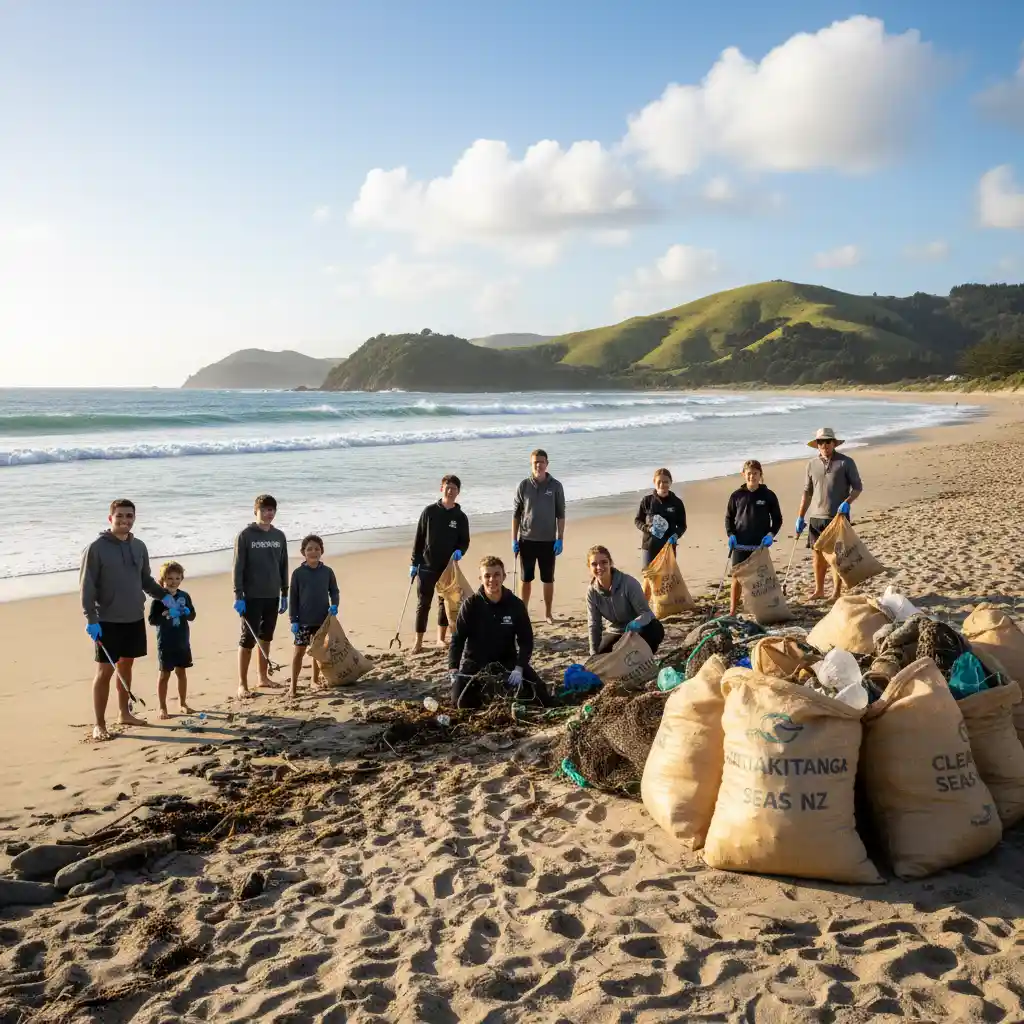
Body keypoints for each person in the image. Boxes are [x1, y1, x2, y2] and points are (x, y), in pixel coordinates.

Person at [80, 498, 180, 741]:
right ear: (110, 518)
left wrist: (164, 596)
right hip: (107, 620)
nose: (125, 520)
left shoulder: (139, 547)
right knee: (104, 672)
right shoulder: (96, 548)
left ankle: (124, 713)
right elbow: (87, 586)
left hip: (134, 616)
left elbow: (145, 580)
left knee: (126, 666)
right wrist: (91, 618)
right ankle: (99, 724)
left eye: (129, 516)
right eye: (120, 516)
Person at [448, 555, 549, 709]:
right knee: (459, 702)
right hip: (475, 663)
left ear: (503, 576)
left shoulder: (515, 605)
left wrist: (519, 667)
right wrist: (453, 667)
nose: (492, 580)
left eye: (496, 575)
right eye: (487, 576)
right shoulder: (470, 605)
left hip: (507, 661)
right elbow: (458, 639)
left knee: (542, 695)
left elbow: (526, 640)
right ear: (480, 578)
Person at [794, 428, 863, 600]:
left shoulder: (846, 462)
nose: (824, 445)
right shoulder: (811, 464)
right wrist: (800, 516)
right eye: (820, 442)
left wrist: (847, 503)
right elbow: (807, 492)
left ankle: (836, 592)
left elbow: (857, 487)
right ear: (816, 445)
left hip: (837, 517)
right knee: (817, 554)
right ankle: (819, 590)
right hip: (816, 517)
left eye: (827, 441)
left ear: (834, 443)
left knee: (837, 556)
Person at [233, 494, 289, 698]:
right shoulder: (245, 535)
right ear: (255, 511)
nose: (269, 513)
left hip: (272, 595)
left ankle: (262, 678)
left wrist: (285, 592)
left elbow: (283, 565)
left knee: (266, 637)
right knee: (248, 639)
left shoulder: (279, 536)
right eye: (265, 509)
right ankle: (242, 684)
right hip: (251, 596)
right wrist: (238, 594)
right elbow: (238, 567)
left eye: (272, 510)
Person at [409, 475, 470, 654]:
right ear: (441, 488)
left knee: (445, 602)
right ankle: (418, 642)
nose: (450, 491)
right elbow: (419, 539)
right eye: (447, 487)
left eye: (454, 489)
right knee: (423, 603)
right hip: (427, 565)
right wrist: (414, 563)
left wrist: (460, 551)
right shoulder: (429, 512)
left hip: (448, 567)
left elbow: (464, 541)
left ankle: (440, 639)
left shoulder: (460, 517)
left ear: (458, 492)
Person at [511, 449, 565, 624]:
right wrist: (514, 539)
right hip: (526, 540)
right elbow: (516, 515)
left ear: (547, 463)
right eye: (535, 462)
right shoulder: (523, 486)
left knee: (548, 578)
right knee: (526, 579)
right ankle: (523, 612)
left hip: (548, 541)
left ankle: (548, 613)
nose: (538, 465)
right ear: (531, 464)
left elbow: (561, 514)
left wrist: (560, 538)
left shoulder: (555, 486)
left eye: (541, 462)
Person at [725, 460, 784, 615]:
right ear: (743, 475)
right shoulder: (736, 496)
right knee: (737, 578)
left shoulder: (768, 495)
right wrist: (731, 534)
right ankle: (732, 610)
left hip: (759, 545)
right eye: (749, 473)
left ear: (760, 475)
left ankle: (761, 608)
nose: (752, 476)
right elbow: (729, 518)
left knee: (760, 578)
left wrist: (771, 534)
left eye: (755, 473)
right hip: (740, 544)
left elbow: (777, 519)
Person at [586, 545, 665, 656]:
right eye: (594, 564)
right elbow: (594, 625)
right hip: (616, 632)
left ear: (610, 563)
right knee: (601, 654)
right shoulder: (592, 592)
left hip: (639, 628)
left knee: (654, 629)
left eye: (604, 562)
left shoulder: (628, 583)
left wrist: (635, 623)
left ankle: (646, 658)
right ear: (589, 567)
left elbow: (647, 613)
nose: (599, 567)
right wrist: (593, 655)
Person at [288, 534, 339, 697]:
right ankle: (293, 687)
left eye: (317, 549)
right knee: (299, 653)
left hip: (322, 620)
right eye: (309, 549)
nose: (313, 552)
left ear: (321, 551)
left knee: (317, 652)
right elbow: (293, 598)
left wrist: (335, 605)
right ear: (303, 552)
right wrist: (293, 619)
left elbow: (334, 591)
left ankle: (315, 681)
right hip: (302, 621)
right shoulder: (297, 574)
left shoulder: (327, 571)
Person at [148, 561, 197, 719]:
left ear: (181, 579)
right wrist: (166, 614)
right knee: (164, 674)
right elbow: (152, 620)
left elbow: (192, 616)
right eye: (169, 578)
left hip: (182, 640)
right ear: (162, 580)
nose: (173, 581)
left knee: (181, 672)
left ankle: (183, 703)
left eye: (177, 578)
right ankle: (162, 707)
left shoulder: (184, 596)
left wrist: (186, 611)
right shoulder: (159, 599)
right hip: (166, 642)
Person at [634, 467, 687, 585]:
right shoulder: (647, 501)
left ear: (670, 483)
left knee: (666, 579)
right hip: (650, 546)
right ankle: (645, 603)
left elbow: (682, 525)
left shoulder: (677, 502)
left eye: (666, 481)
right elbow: (638, 520)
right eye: (659, 482)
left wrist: (676, 535)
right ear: (654, 482)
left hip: (668, 546)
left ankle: (664, 604)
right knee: (649, 578)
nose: (662, 484)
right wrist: (648, 528)